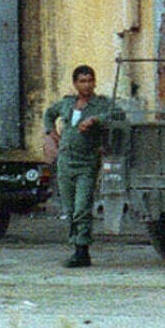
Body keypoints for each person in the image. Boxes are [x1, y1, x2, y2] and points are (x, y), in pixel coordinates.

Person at [43, 65, 123, 268]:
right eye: (82, 81)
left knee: (82, 208)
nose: (86, 85)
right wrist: (50, 132)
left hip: (86, 162)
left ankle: (82, 249)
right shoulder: (67, 103)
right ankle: (76, 246)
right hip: (65, 161)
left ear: (94, 82)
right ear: (75, 83)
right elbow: (49, 114)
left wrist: (96, 120)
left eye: (89, 81)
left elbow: (119, 116)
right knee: (69, 209)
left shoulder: (101, 104)